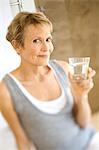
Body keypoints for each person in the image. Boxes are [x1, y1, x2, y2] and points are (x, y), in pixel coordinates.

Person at [0, 11, 99, 150]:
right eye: (36, 41)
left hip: (90, 142)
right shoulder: (6, 90)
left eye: (48, 39)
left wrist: (81, 96)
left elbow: (84, 123)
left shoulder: (64, 69)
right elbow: (23, 141)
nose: (47, 48)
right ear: (17, 46)